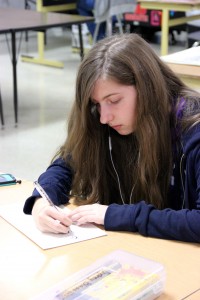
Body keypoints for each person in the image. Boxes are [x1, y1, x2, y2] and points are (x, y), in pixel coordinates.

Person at [23, 33, 200, 243]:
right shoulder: (105, 119)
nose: (105, 117)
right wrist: (41, 201)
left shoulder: (193, 130)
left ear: (147, 87)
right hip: (139, 250)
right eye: (97, 104)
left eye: (114, 100)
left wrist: (115, 215)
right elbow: (67, 164)